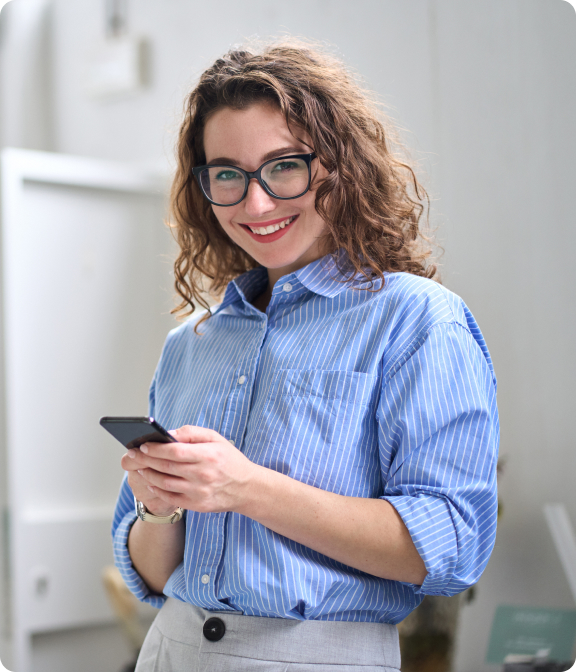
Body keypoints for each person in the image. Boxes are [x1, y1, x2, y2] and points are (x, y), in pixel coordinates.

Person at [112, 40, 499, 672]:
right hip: (170, 651)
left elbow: (451, 547)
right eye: (228, 174)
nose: (255, 203)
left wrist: (246, 488)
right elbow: (150, 577)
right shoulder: (191, 343)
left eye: (284, 166)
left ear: (339, 165)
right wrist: (158, 506)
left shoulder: (417, 319)